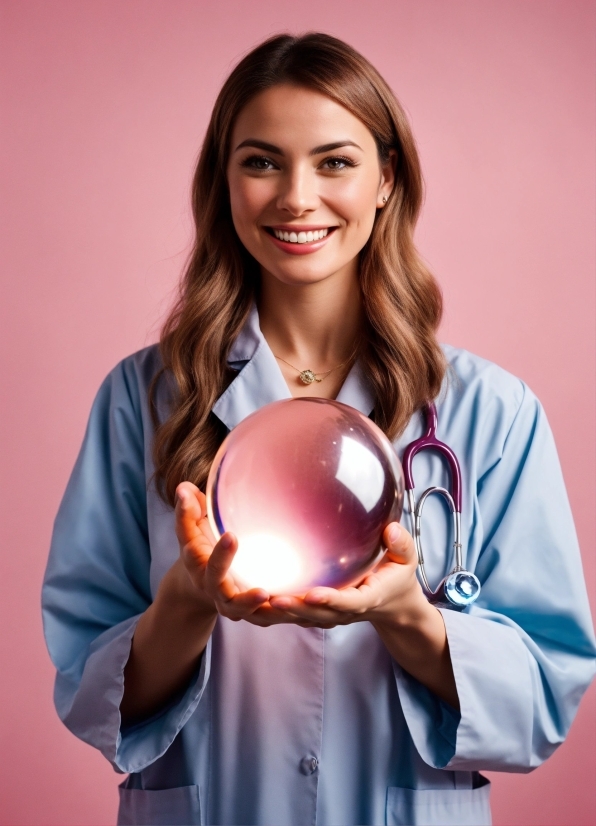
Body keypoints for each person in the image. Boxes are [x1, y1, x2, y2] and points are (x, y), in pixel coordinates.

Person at [42, 33, 595, 826]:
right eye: (261, 162)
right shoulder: (142, 398)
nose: (296, 197)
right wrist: (189, 603)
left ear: (386, 179)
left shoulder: (489, 411)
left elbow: (543, 697)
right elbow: (88, 687)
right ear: (223, 182)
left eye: (334, 162)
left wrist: (405, 612)